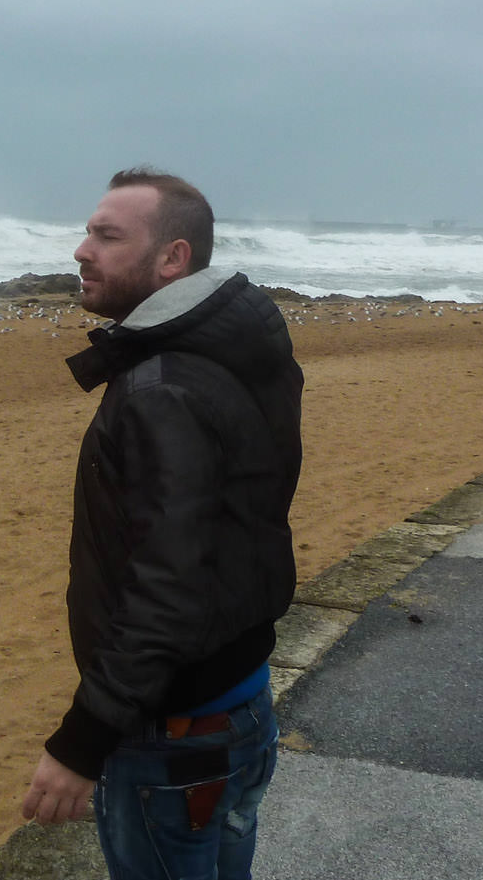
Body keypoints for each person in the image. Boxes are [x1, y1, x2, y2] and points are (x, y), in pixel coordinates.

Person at [21, 167, 304, 878]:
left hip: (175, 736)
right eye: (88, 231)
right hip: (239, 702)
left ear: (172, 258)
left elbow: (164, 587)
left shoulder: (162, 388)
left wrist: (81, 742)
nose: (82, 250)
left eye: (107, 236)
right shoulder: (234, 348)